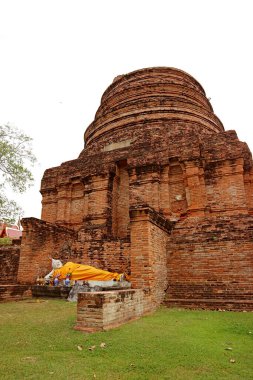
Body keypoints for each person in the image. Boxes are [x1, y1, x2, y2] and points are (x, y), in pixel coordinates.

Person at [45, 258, 128, 282]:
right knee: (96, 275)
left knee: (96, 271)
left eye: (58, 261)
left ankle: (116, 276)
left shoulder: (68, 264)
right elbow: (46, 278)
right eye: (56, 263)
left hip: (81, 269)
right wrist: (55, 275)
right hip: (77, 275)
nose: (58, 263)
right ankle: (116, 277)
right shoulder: (56, 271)